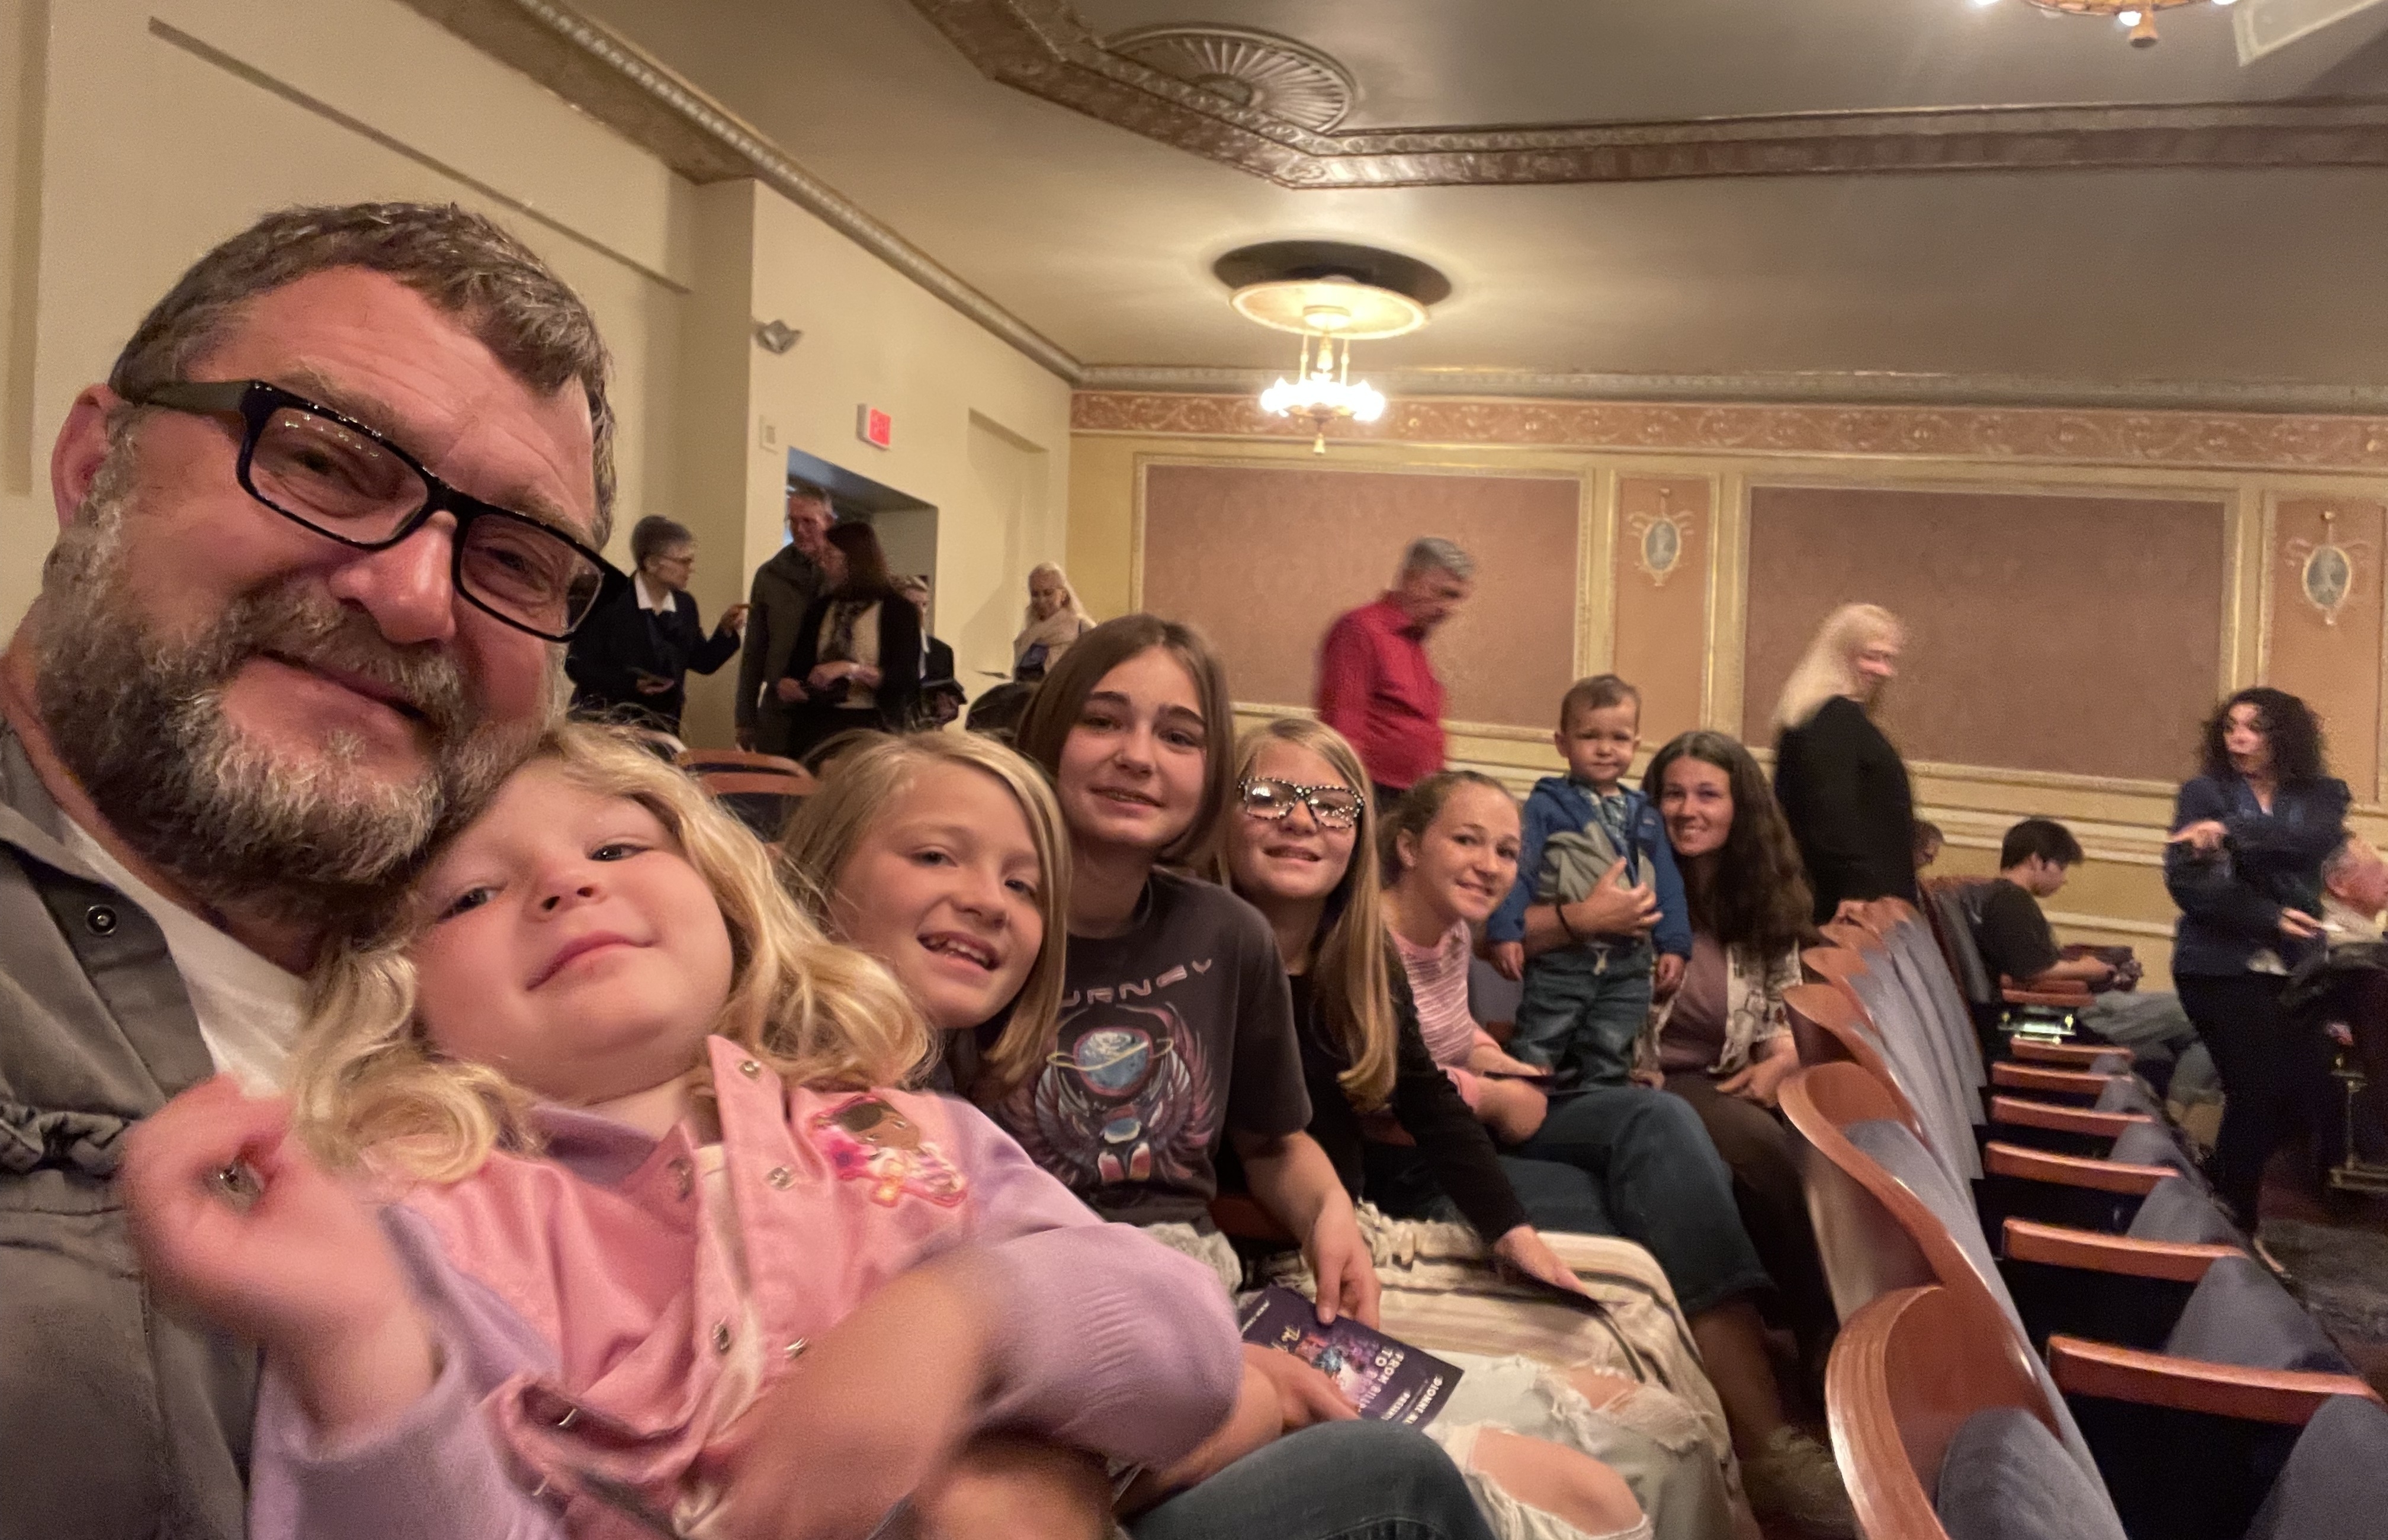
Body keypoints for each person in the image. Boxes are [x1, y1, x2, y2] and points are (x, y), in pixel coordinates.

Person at [120, 723, 1247, 1538]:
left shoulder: (905, 1133)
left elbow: (1192, 1358)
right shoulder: (418, 1226)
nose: (565, 886)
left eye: (617, 850)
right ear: (398, 989)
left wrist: (968, 1315)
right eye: (470, 895)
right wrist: (360, 1355)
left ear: (729, 900)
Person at [0, 200, 620, 1540]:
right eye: (330, 464)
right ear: (95, 464)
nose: (413, 596)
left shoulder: (586, 963)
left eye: (514, 558)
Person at [785, 728, 1509, 1540]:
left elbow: (1108, 1276)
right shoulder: (805, 1110)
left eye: (1023, 884)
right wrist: (1249, 1392)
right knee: (1404, 1474)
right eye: (935, 857)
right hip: (1058, 1446)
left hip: (1161, 1360)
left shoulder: (941, 1116)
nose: (988, 899)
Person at [1222, 716, 1753, 1540]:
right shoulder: (1203, 953)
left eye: (1329, 804)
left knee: (1641, 1259)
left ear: (1360, 832)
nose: (1300, 818)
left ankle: (1753, 1473)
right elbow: (1259, 1154)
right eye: (1269, 795)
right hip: (1294, 1257)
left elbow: (1424, 1092)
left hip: (1346, 1228)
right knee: (1628, 1359)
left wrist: (1511, 1229)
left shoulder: (1352, 952)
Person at [1385, 773, 1854, 1536]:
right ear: (1409, 846)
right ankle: (1752, 1440)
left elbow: (1455, 1028)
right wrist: (1489, 1094)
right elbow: (1378, 1089)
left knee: (1659, 1119)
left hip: (1482, 1108)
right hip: (1423, 1155)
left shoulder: (1449, 931)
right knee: (1640, 1211)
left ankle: (1765, 1432)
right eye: (1466, 840)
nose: (1489, 864)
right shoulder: (1370, 942)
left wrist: (1492, 1062)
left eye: (1505, 849)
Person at [1631, 732, 1836, 1373]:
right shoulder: (1631, 882)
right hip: (1646, 1076)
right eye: (1673, 794)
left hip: (1727, 1071)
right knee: (1760, 1146)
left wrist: (1783, 1059)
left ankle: (1799, 1323)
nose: (1687, 810)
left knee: (1822, 1137)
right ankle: (1820, 1331)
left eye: (1707, 795)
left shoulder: (1763, 891)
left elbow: (1780, 1002)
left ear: (1739, 806)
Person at [2165, 686, 2350, 1224]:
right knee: (2256, 1090)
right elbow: (2191, 884)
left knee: (2308, 1094)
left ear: (2284, 736)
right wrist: (2268, 916)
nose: (2238, 739)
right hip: (2216, 967)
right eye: (2230, 727)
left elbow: (2311, 840)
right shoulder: (2203, 792)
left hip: (2296, 968)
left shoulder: (2322, 794)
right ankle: (2232, 1222)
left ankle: (2217, 1192)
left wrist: (2228, 832)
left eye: (2254, 728)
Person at [1485, 675, 1690, 1085]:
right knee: (1541, 1040)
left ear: (1636, 745)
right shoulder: (1546, 806)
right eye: (1590, 736)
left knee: (1610, 1050)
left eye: (1619, 738)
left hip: (1629, 964)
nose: (1605, 748)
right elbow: (1520, 872)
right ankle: (1526, 1102)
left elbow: (1667, 883)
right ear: (1563, 744)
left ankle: (1599, 1104)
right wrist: (1505, 931)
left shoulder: (1646, 813)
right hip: (1564, 961)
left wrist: (1675, 945)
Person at [1972, 817, 2202, 1092]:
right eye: (2061, 867)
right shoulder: (2011, 901)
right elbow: (2032, 970)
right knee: (2198, 1010)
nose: (2064, 879)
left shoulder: (2003, 898)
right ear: (2035, 861)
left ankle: (2179, 1104)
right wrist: (2089, 968)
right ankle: (2183, 1106)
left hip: (2063, 1006)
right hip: (2064, 1015)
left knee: (2189, 1025)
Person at [1770, 602, 1917, 923]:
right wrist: (1856, 890)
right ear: (1840, 654)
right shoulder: (1830, 722)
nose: (1884, 671)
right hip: (1849, 905)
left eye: (1888, 659)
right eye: (1872, 656)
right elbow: (1830, 815)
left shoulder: (1825, 717)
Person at [1317, 537, 1473, 810]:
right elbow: (1343, 721)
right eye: (1445, 594)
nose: (1450, 610)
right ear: (1411, 579)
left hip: (1412, 795)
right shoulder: (1360, 629)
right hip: (1373, 794)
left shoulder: (1414, 642)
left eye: (1456, 598)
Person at [565, 514, 746, 734]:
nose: (691, 568)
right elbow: (577, 666)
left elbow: (702, 661)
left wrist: (725, 631)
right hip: (606, 729)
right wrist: (632, 683)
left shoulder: (685, 605)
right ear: (651, 563)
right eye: (684, 561)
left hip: (663, 729)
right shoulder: (608, 600)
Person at [778, 521, 922, 762]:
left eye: (830, 556)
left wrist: (851, 669)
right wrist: (790, 685)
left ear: (855, 560)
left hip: (871, 726)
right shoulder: (820, 608)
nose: (823, 563)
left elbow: (906, 678)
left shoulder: (898, 610)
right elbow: (798, 667)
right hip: (817, 726)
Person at [735, 481, 834, 755]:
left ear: (828, 522)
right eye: (793, 521)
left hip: (831, 712)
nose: (799, 530)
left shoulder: (845, 572)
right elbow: (755, 648)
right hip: (780, 708)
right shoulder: (770, 575)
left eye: (809, 522)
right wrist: (745, 717)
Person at [898, 572, 967, 728]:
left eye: (924, 605)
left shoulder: (941, 652)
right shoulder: (882, 646)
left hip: (927, 732)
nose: (920, 612)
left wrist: (949, 709)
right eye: (913, 605)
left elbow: (946, 698)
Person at [1013, 561, 1094, 682]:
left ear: (1063, 595)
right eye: (1035, 594)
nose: (1041, 600)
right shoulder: (1027, 636)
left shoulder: (1083, 629)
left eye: (1048, 593)